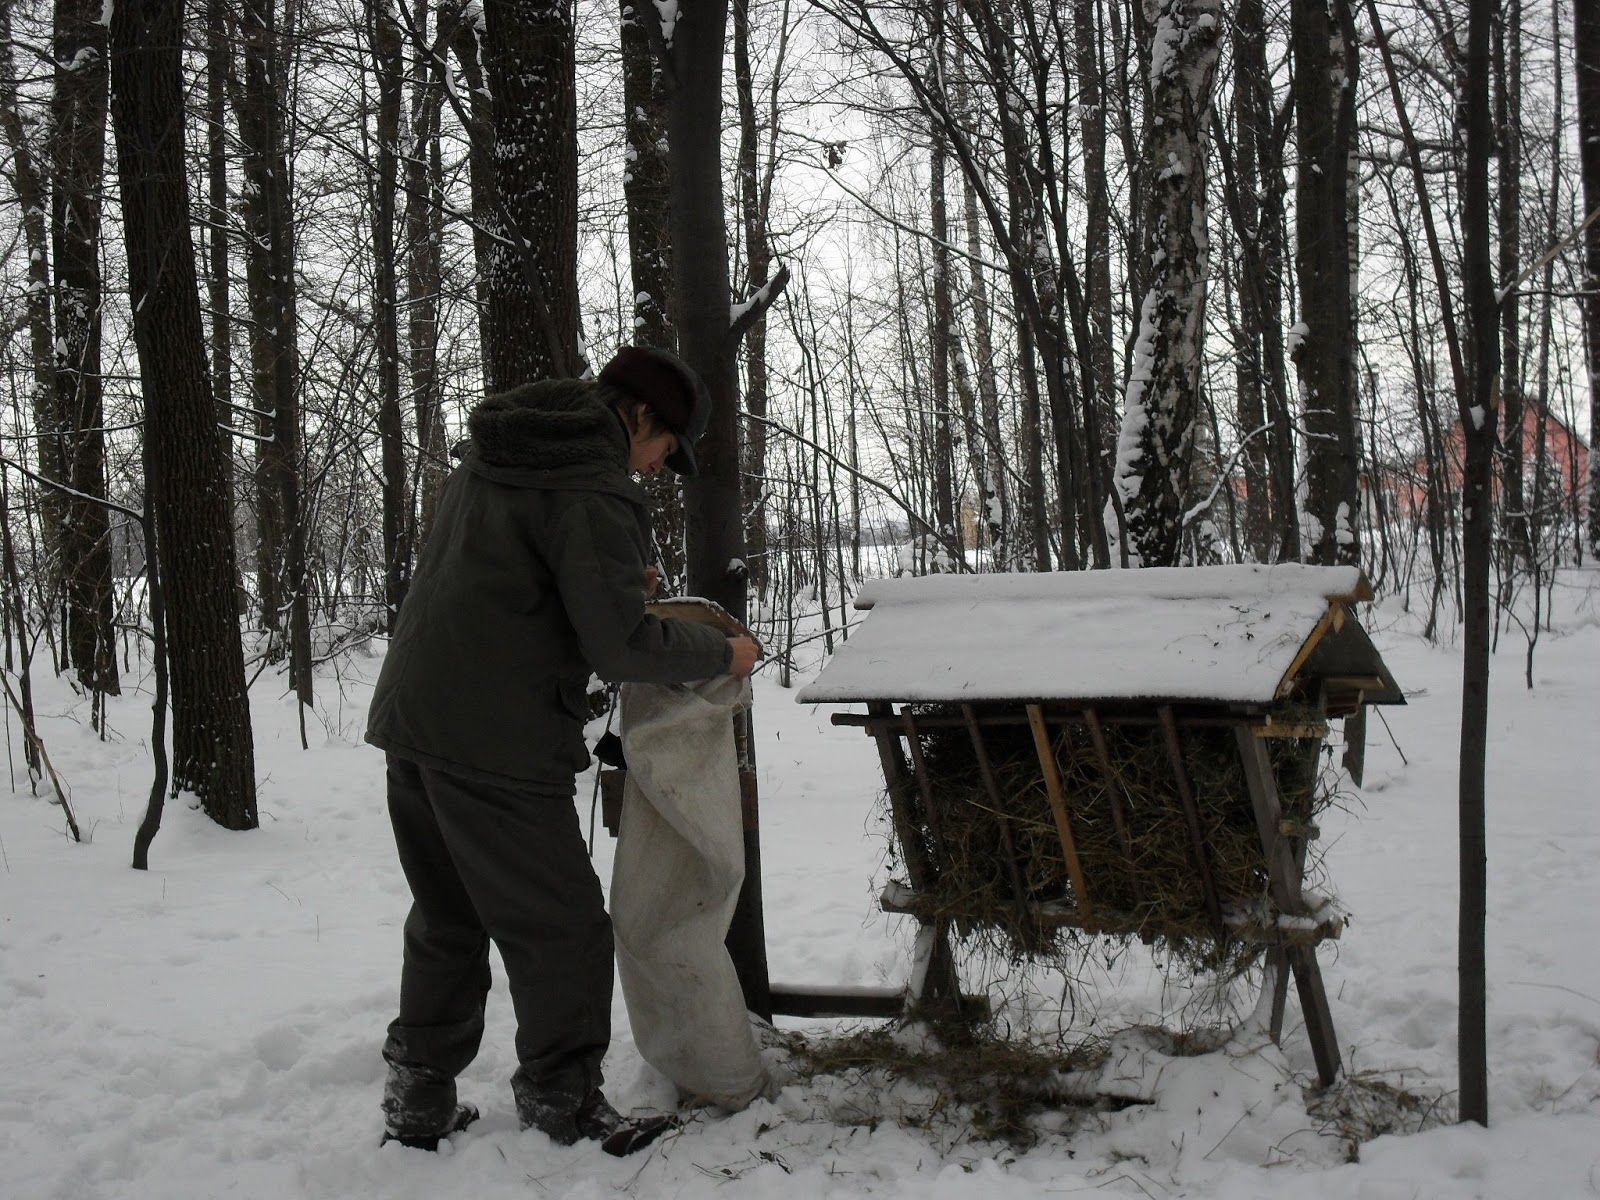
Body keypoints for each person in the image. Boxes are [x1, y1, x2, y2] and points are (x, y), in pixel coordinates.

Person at [365, 345, 761, 1154]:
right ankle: (563, 1099)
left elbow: (509, 582)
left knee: (448, 914)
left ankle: (419, 1093)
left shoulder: (505, 451)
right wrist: (722, 656)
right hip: (494, 740)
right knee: (567, 928)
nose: (656, 467)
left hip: (415, 720)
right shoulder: (588, 485)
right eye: (663, 449)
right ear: (639, 415)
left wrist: (619, 582)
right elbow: (619, 647)